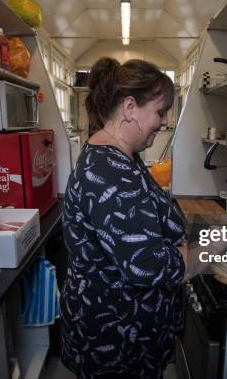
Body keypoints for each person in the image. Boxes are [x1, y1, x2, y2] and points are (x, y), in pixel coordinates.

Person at [60, 57, 202, 379]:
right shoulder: (110, 172)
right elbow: (149, 267)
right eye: (160, 111)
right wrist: (210, 251)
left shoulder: (122, 157)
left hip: (124, 326)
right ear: (129, 108)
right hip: (116, 333)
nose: (164, 122)